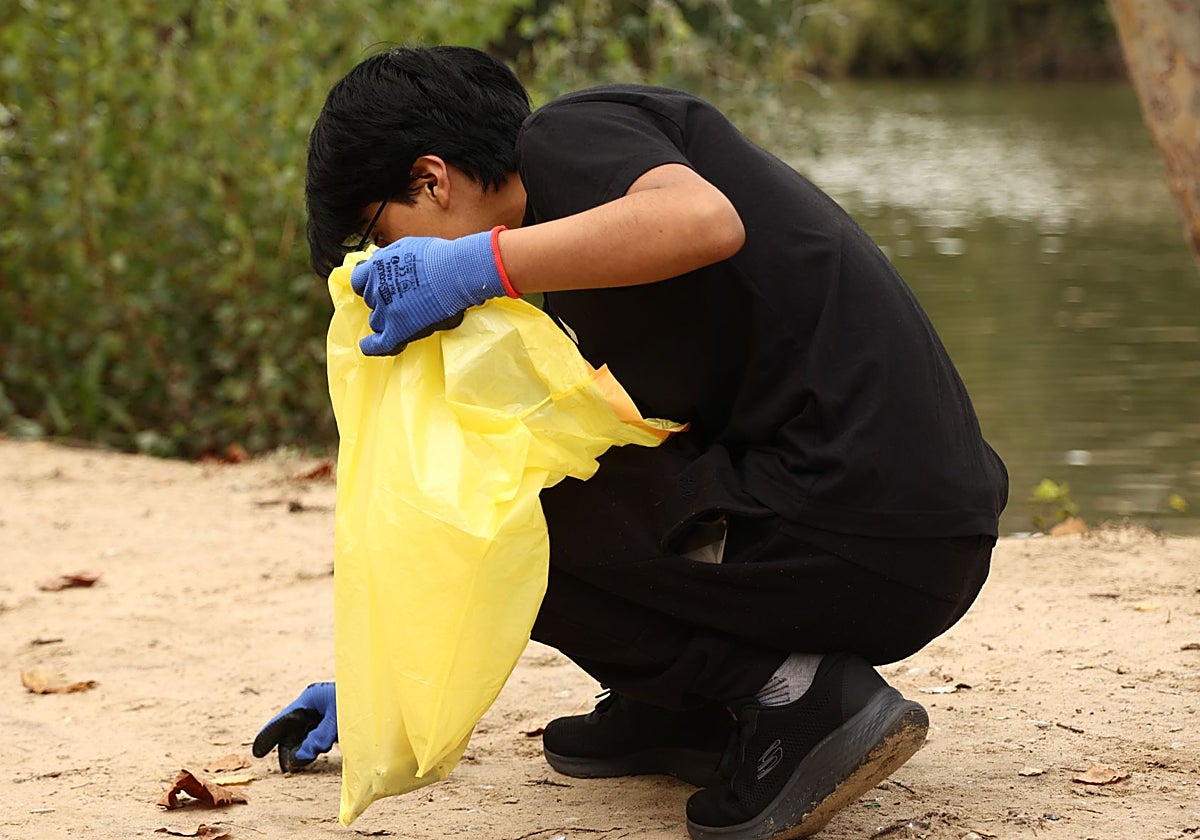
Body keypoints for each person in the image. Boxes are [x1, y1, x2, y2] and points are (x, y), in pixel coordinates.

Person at [252, 45, 1008, 840]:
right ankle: (684, 712)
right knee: (529, 469)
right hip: (901, 543)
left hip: (863, 523)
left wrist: (478, 264)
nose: (391, 269)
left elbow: (702, 220)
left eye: (379, 241)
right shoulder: (578, 267)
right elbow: (630, 483)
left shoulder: (567, 137)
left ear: (433, 179)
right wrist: (380, 684)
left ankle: (789, 694)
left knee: (494, 486)